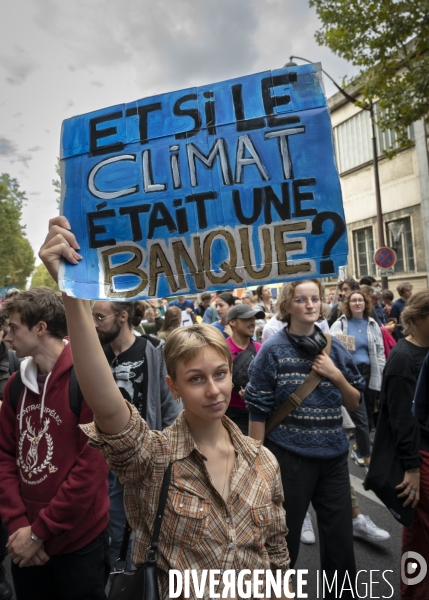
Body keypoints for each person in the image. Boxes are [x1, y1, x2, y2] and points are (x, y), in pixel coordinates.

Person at [39, 216, 292, 600]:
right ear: (172, 386)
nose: (213, 390)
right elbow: (108, 409)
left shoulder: (263, 462)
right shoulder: (153, 458)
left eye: (220, 374)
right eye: (195, 379)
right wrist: (72, 292)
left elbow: (276, 555)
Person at [245, 279, 365, 597]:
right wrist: (256, 468)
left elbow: (354, 401)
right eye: (301, 299)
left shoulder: (332, 346)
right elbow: (257, 411)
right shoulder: (272, 349)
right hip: (289, 457)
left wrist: (335, 374)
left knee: (340, 543)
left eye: (315, 298)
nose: (310, 304)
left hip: (334, 458)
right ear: (287, 306)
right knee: (285, 540)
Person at [0, 288, 110, 600]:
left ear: (40, 328)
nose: (7, 337)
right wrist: (20, 526)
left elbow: (90, 470)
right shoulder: (14, 387)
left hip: (79, 547)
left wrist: (40, 531)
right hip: (26, 544)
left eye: (13, 327)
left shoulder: (88, 378)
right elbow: (4, 458)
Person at [91, 299, 180, 571]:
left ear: (122, 317)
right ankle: (123, 581)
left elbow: (170, 407)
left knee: (150, 532)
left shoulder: (153, 350)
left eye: (100, 317)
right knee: (117, 533)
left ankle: (140, 582)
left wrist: (167, 456)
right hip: (107, 463)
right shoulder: (96, 355)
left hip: (146, 460)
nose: (94, 324)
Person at [373, 290, 429, 600]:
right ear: (419, 318)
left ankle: (414, 591)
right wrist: (412, 468)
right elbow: (401, 420)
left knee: (417, 533)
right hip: (420, 456)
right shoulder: (403, 358)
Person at [330, 290, 385, 454]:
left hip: (370, 371)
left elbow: (380, 351)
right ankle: (365, 453)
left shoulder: (372, 324)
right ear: (348, 304)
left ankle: (361, 445)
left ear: (366, 303)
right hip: (350, 374)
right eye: (353, 300)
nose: (357, 303)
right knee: (360, 416)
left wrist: (382, 373)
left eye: (360, 300)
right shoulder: (340, 324)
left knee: (368, 411)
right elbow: (333, 349)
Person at [224, 304, 264, 435]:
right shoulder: (221, 349)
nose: (253, 322)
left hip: (260, 413)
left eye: (254, 319)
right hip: (232, 416)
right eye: (247, 319)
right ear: (232, 322)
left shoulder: (261, 349)